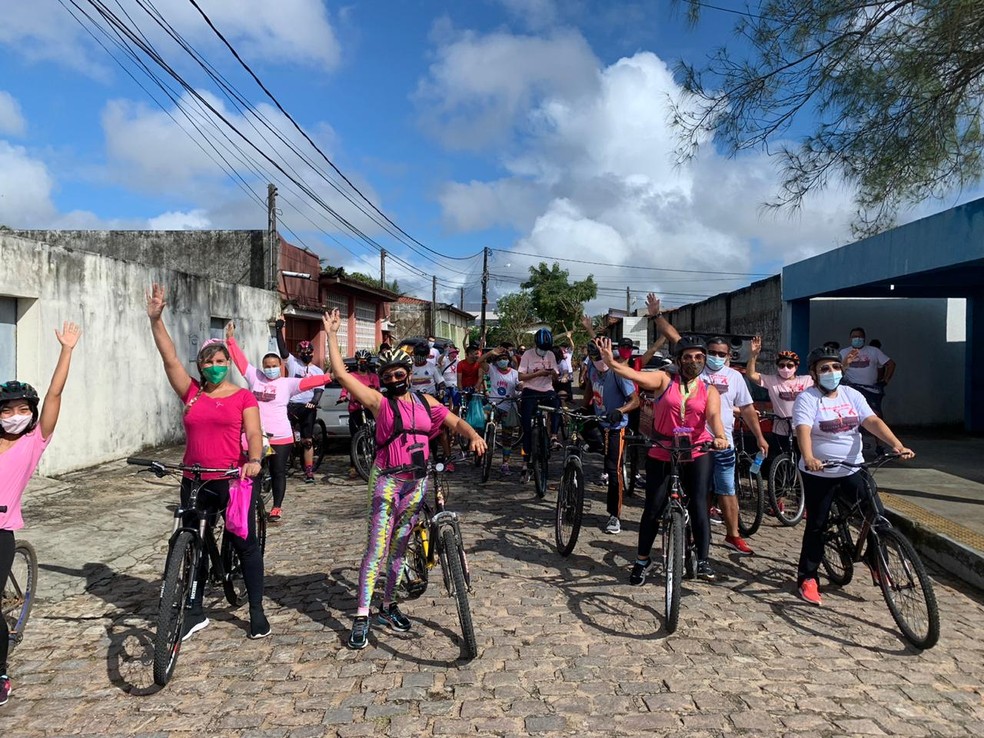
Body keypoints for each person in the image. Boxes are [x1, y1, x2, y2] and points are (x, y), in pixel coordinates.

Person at [323, 309, 486, 650]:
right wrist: (333, 335)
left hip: (417, 483)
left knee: (399, 548)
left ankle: (388, 605)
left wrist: (473, 435)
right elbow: (340, 373)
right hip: (387, 482)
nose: (395, 379)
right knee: (377, 549)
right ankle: (362, 615)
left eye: (400, 373)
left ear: (409, 374)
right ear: (382, 379)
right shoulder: (379, 403)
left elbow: (455, 422)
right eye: (388, 375)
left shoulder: (427, 403)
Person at [146, 284, 270, 640]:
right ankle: (195, 610)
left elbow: (254, 433)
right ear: (199, 366)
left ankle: (256, 609)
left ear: (228, 364)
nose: (214, 367)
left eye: (220, 361)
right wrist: (156, 320)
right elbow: (170, 358)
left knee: (244, 543)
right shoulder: (192, 392)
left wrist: (255, 459)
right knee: (192, 543)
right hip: (194, 478)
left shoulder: (243, 396)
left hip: (233, 479)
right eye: (208, 362)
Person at [598, 336, 728, 584]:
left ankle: (703, 559)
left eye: (698, 357)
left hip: (696, 450)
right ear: (678, 360)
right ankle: (642, 560)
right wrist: (611, 363)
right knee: (653, 508)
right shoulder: (664, 380)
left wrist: (720, 437)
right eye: (687, 357)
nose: (693, 361)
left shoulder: (708, 390)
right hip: (662, 448)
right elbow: (635, 376)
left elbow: (713, 416)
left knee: (699, 504)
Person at [792, 346, 914, 606]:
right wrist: (809, 456)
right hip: (820, 472)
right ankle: (808, 578)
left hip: (853, 467)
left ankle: (876, 561)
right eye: (825, 368)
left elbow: (871, 421)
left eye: (836, 367)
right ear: (814, 373)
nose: (832, 372)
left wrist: (897, 444)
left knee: (877, 516)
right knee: (817, 526)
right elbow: (803, 429)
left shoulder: (851, 394)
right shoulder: (807, 398)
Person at [0, 321, 81, 708]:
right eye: (6, 410)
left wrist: (66, 350)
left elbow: (54, 394)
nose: (14, 415)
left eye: (22, 409)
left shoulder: (34, 440)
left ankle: (1, 672)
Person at [650, 295, 767, 557]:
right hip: (690, 444)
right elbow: (675, 337)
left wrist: (760, 437)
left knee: (727, 490)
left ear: (728, 356)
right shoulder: (694, 369)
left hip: (722, 444)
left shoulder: (735, 377)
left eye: (720, 354)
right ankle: (693, 533)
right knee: (699, 495)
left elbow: (748, 409)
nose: (715, 357)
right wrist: (657, 316)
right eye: (711, 352)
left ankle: (733, 535)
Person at [225, 322, 334, 520]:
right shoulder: (255, 378)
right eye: (267, 366)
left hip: (281, 436)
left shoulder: (287, 383)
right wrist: (230, 341)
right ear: (263, 367)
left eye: (274, 366)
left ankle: (276, 507)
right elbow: (241, 362)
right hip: (257, 436)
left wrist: (330, 376)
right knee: (253, 472)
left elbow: (309, 382)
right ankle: (252, 505)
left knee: (278, 472)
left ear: (280, 367)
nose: (271, 369)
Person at [585, 339, 639, 535]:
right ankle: (598, 447)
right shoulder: (592, 368)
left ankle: (614, 515)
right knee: (581, 429)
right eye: (595, 359)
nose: (599, 363)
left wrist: (620, 411)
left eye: (602, 358)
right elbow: (590, 387)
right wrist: (584, 407)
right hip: (599, 420)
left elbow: (635, 401)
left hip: (616, 426)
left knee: (613, 470)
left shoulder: (618, 373)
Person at [746, 337, 814, 445]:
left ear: (796, 367)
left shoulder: (807, 380)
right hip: (780, 430)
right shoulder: (772, 380)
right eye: (782, 365)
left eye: (790, 365)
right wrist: (753, 355)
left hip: (803, 429)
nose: (785, 369)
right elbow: (751, 375)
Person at [518, 328, 561, 485]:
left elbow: (556, 376)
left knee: (557, 405)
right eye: (542, 348)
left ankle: (554, 436)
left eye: (546, 348)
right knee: (527, 430)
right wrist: (538, 374)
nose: (544, 351)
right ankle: (525, 463)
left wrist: (553, 374)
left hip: (547, 390)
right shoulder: (527, 355)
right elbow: (521, 376)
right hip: (530, 390)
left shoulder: (550, 355)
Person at [283, 336, 325, 483]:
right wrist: (278, 330)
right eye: (303, 353)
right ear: (299, 354)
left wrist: (314, 402)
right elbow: (283, 351)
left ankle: (309, 471)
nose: (306, 355)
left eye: (308, 352)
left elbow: (319, 390)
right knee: (285, 436)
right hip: (292, 404)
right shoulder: (293, 364)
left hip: (308, 406)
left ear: (313, 353)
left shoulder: (318, 371)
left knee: (307, 441)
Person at [340, 349, 381, 479]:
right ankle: (353, 466)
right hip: (356, 409)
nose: (362, 364)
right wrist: (343, 396)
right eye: (360, 361)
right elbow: (345, 389)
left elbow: (377, 390)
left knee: (376, 436)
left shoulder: (373, 377)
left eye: (365, 361)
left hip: (369, 408)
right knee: (354, 437)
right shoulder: (351, 376)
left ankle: (378, 462)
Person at [485, 350, 521, 474]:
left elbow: (520, 385)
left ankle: (505, 463)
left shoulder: (515, 373)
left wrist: (520, 387)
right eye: (499, 359)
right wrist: (491, 353)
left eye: (505, 358)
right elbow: (479, 361)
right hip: (493, 405)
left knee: (507, 437)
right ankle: (481, 442)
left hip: (508, 407)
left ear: (509, 360)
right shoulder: (492, 370)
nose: (502, 361)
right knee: (482, 419)